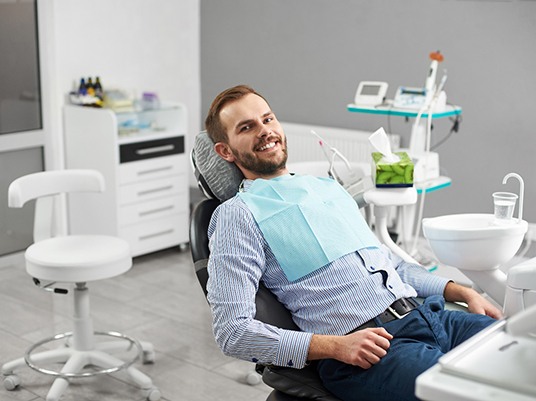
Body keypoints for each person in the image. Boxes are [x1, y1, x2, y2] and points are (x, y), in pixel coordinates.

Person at [204, 84, 502, 401]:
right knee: (476, 394)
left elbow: (393, 265)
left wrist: (462, 291)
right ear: (226, 150)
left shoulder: (327, 188)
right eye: (247, 127)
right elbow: (232, 332)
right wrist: (335, 346)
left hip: (430, 317)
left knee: (520, 356)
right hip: (368, 350)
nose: (265, 131)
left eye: (268, 119)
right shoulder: (237, 216)